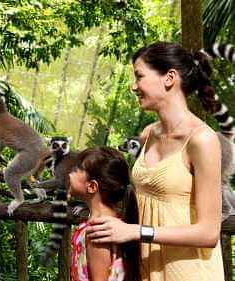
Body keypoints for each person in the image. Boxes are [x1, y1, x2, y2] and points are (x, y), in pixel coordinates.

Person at [86, 42, 224, 281]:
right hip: (147, 270)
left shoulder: (202, 140)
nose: (133, 86)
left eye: (139, 76)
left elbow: (209, 233)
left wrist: (136, 232)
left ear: (169, 78)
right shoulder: (147, 134)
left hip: (190, 273)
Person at [68, 147, 141, 281]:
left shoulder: (99, 231)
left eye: (76, 170)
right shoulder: (108, 222)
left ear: (92, 187)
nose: (69, 173)